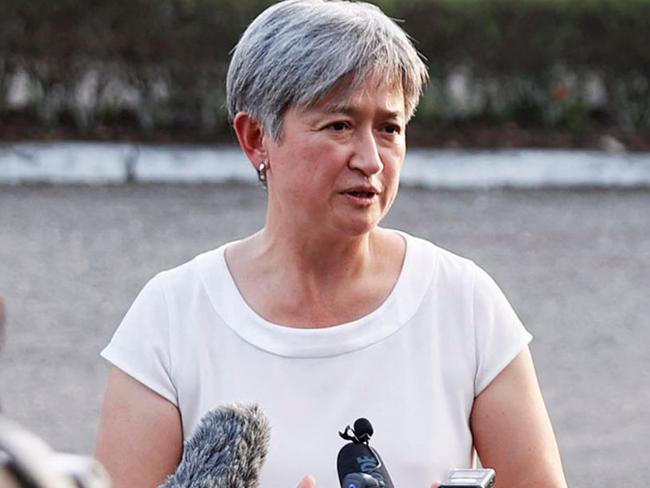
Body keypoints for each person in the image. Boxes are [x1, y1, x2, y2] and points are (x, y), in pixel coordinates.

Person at [95, 1, 568, 487]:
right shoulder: (170, 317)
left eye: (389, 128)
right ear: (257, 137)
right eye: (339, 125)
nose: (370, 159)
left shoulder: (464, 303)